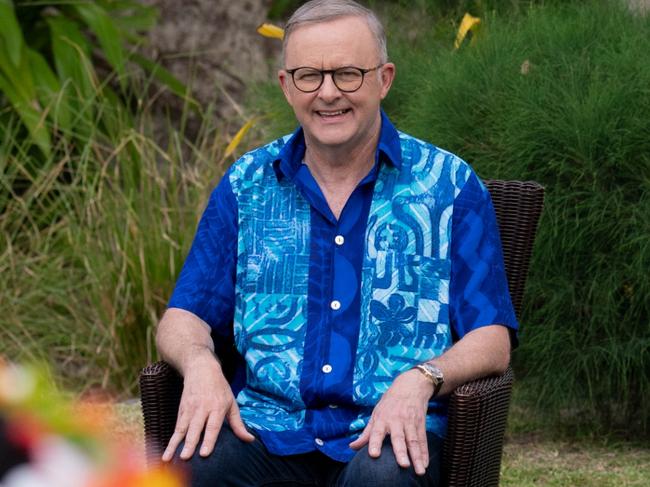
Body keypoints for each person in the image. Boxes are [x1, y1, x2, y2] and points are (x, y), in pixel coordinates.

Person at [155, 1, 517, 485]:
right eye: (309, 76)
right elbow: (183, 317)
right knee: (190, 468)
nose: (328, 93)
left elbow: (492, 339)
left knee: (381, 479)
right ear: (286, 86)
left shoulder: (448, 186)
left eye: (348, 74)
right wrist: (200, 364)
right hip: (268, 429)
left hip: (391, 433)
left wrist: (422, 379)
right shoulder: (247, 186)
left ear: (384, 79)